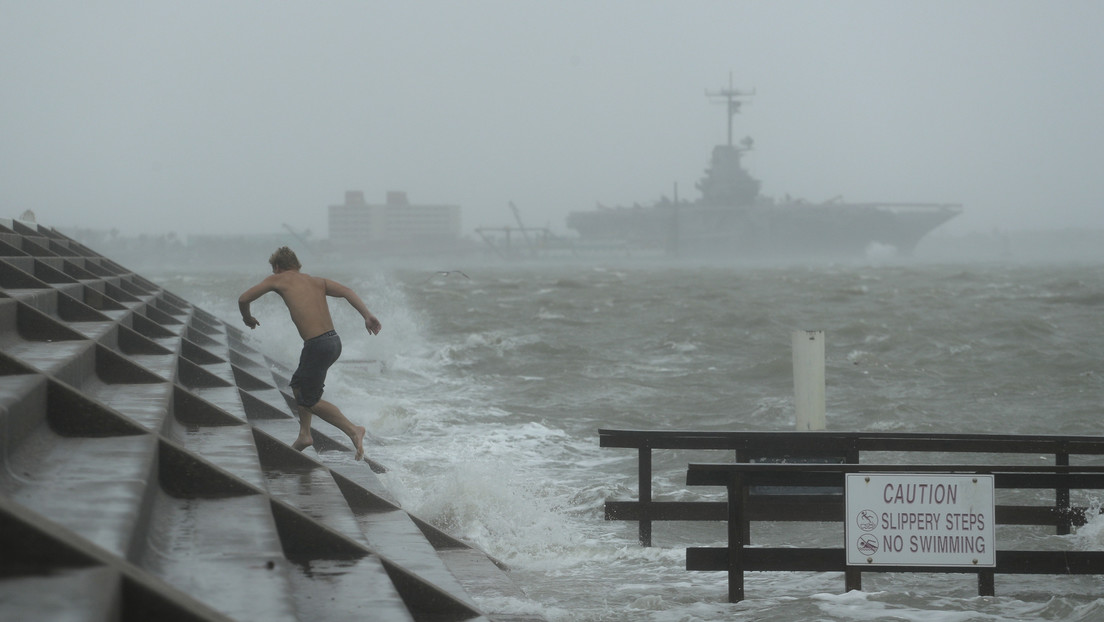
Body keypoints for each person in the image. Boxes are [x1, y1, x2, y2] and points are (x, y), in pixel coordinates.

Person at [238, 247, 382, 461]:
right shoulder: (317, 281)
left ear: (277, 267)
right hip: (333, 342)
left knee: (309, 400)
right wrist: (367, 315)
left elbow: (243, 299)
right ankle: (305, 434)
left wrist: (247, 318)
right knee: (299, 385)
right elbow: (347, 292)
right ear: (297, 265)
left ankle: (353, 429)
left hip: (317, 345)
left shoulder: (278, 279)